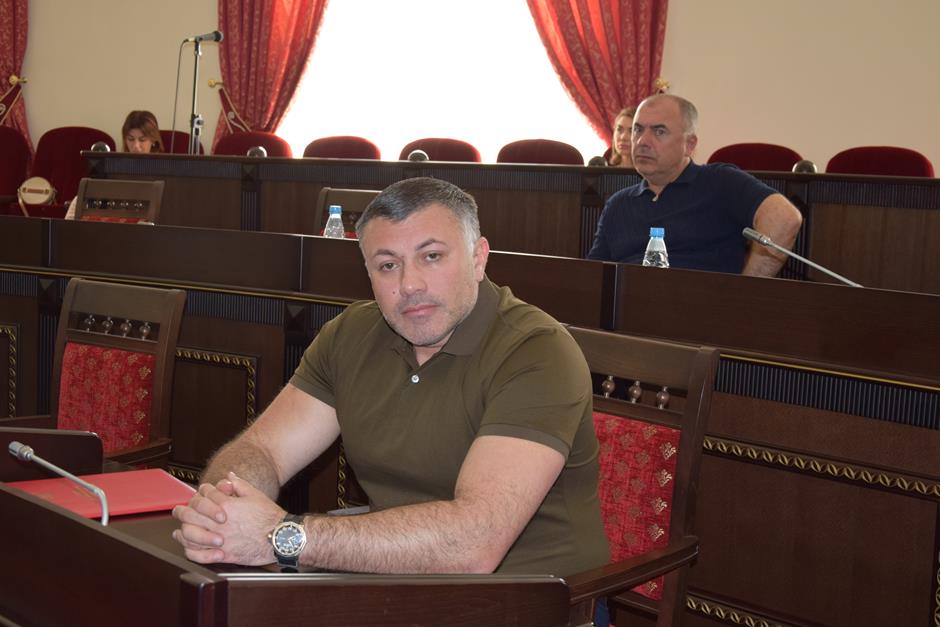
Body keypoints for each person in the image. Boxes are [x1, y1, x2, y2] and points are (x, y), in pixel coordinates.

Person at [172, 177, 610, 577]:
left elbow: (474, 545)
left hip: (529, 599)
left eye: (432, 257)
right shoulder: (351, 333)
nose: (410, 284)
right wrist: (221, 512)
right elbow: (263, 450)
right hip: (392, 578)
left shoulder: (537, 351)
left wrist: (282, 537)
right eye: (387, 265)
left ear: (479, 259)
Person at [587, 94, 803, 276]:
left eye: (659, 131)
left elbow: (784, 218)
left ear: (689, 144)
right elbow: (593, 276)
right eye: (638, 130)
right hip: (628, 309)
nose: (642, 141)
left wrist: (745, 293)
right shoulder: (618, 204)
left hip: (702, 308)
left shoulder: (720, 182)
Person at [64, 110, 163, 219]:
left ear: (153, 140)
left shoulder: (163, 169)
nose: (136, 146)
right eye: (130, 139)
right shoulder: (114, 166)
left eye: (142, 139)